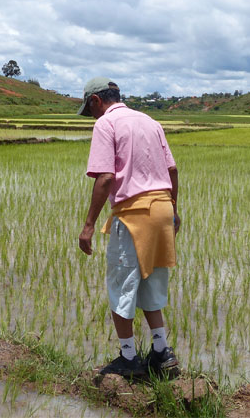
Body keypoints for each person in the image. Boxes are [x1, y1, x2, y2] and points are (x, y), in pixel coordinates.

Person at [77, 77, 181, 378]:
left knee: (121, 287)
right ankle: (162, 353)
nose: (92, 116)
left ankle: (129, 359)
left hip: (133, 214)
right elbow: (172, 170)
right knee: (152, 282)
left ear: (96, 101)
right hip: (162, 210)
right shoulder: (149, 121)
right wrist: (174, 211)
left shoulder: (106, 124)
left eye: (90, 109)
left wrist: (88, 226)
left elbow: (106, 178)